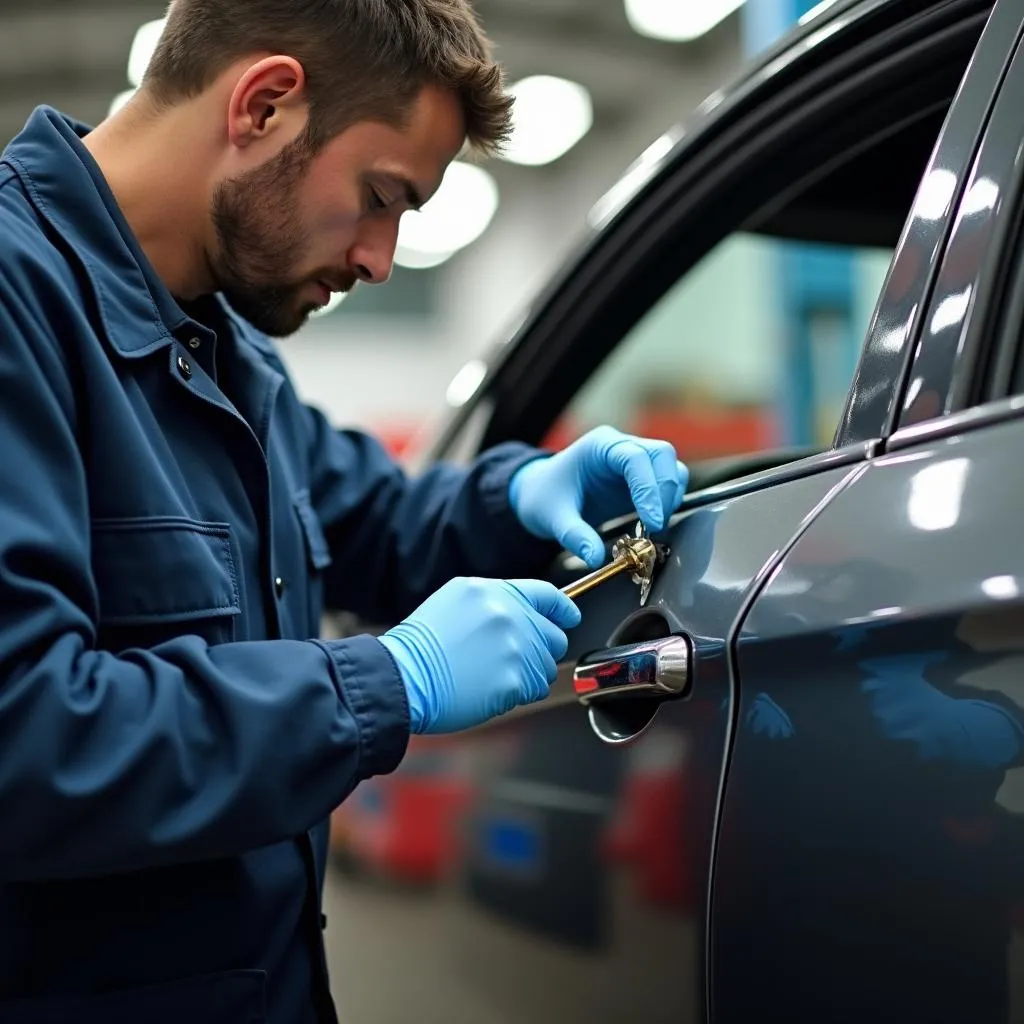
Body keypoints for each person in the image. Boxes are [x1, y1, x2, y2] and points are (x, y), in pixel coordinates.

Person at [0, 1, 688, 1021]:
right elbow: (26, 734)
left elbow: (377, 519)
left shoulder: (228, 355)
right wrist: (385, 682)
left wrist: (523, 495)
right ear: (264, 104)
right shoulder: (21, 303)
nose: (378, 258)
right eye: (380, 197)